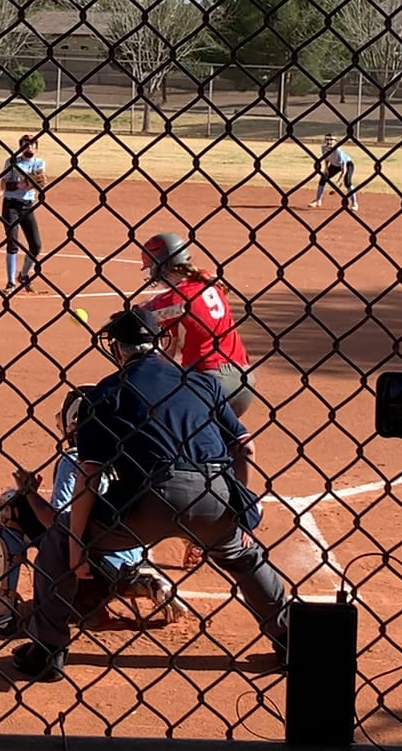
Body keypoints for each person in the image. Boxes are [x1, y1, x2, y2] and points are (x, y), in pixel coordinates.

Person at [10, 307, 290, 683]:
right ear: (163, 341)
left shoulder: (106, 392)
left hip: (147, 500)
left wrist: (75, 545)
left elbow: (90, 472)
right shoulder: (202, 383)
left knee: (59, 539)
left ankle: (47, 651)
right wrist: (239, 510)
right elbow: (245, 447)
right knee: (244, 556)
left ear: (117, 349)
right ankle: (290, 640)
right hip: (214, 494)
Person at [0, 387, 181, 635]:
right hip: (128, 563)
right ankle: (136, 582)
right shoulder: (133, 457)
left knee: (11, 505)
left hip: (88, 569)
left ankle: (0, 611)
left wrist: (29, 493)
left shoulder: (76, 459)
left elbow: (57, 525)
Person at [139, 231, 261, 569]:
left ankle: (199, 528)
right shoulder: (208, 285)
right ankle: (238, 516)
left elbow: (139, 318)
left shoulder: (177, 295)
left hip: (211, 381)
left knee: (182, 448)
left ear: (162, 264)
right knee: (228, 445)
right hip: (242, 377)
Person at [0, 133, 46, 294]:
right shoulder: (11, 162)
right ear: (20, 147)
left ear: (36, 147)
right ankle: (10, 283)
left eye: (32, 144)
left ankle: (23, 275)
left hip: (27, 206)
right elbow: (3, 184)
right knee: (13, 242)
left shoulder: (39, 162)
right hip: (10, 206)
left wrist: (28, 183)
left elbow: (38, 182)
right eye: (25, 144)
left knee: (36, 245)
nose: (29, 147)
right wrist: (19, 185)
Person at [311, 135, 359, 210]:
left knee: (347, 182)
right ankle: (318, 201)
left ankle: (354, 204)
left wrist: (338, 183)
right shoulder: (323, 147)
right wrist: (326, 168)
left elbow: (344, 169)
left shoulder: (338, 151)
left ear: (335, 142)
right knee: (323, 179)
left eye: (331, 139)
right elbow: (326, 158)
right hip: (334, 165)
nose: (329, 141)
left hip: (347, 164)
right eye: (327, 139)